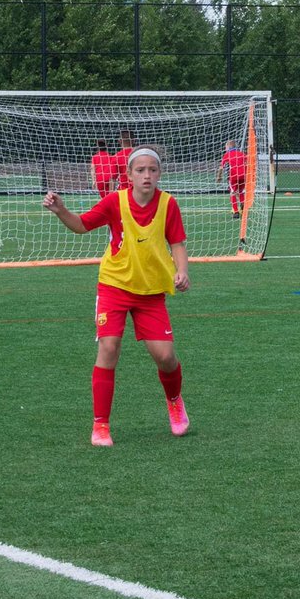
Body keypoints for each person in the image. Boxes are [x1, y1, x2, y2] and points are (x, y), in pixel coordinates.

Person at [42, 146, 191, 447]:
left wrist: (183, 271)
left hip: (151, 291)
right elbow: (82, 225)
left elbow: (177, 243)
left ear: (159, 174)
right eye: (140, 170)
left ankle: (175, 401)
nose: (147, 175)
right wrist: (61, 211)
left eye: (152, 170)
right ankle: (100, 426)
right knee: (109, 349)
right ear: (129, 175)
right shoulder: (115, 201)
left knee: (165, 356)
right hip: (114, 286)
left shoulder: (168, 204)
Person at [216, 140, 248, 218]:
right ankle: (243, 206)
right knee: (240, 192)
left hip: (234, 176)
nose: (225, 148)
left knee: (233, 192)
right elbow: (248, 162)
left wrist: (219, 177)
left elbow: (221, 167)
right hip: (243, 176)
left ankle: (236, 212)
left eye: (225, 146)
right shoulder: (241, 154)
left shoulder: (227, 155)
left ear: (228, 147)